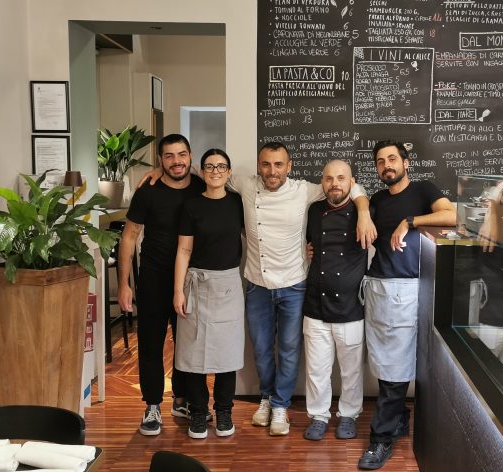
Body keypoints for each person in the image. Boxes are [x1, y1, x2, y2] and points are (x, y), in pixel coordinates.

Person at [141, 141, 375, 436]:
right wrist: (159, 170)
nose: (272, 171)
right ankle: (265, 398)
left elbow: (347, 185)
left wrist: (363, 211)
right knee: (262, 350)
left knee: (289, 350)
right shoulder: (245, 185)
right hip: (257, 284)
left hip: (294, 285)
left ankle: (281, 405)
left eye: (278, 164)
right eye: (266, 164)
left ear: (289, 167)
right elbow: (207, 172)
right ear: (258, 167)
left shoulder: (305, 190)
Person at [358, 140, 456, 470]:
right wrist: (362, 210)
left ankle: (381, 438)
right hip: (380, 289)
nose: (386, 165)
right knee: (387, 363)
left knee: (396, 367)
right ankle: (399, 418)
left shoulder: (424, 190)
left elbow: (451, 215)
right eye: (380, 161)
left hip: (409, 290)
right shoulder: (376, 200)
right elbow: (357, 211)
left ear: (406, 162)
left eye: (392, 159)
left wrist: (410, 221)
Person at [118, 134, 205, 436]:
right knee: (151, 345)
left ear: (190, 156)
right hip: (153, 278)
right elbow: (129, 236)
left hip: (190, 280)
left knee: (187, 345)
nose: (176, 161)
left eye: (181, 154)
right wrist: (124, 284)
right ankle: (153, 405)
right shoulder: (148, 191)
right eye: (169, 156)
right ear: (160, 160)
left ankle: (181, 400)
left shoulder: (201, 186)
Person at [173, 148, 246, 439]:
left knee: (227, 354)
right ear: (202, 172)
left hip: (229, 285)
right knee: (193, 354)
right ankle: (199, 411)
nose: (215, 171)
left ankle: (224, 410)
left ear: (229, 172)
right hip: (197, 284)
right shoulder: (191, 206)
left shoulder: (238, 203)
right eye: (210, 166)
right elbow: (184, 250)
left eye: (221, 166)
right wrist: (178, 291)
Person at [301, 160, 367, 441]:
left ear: (352, 182)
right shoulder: (314, 210)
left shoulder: (364, 211)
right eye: (329, 179)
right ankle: (318, 415)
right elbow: (309, 243)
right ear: (322, 182)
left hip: (351, 306)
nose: (334, 184)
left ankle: (349, 415)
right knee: (316, 369)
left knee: (351, 370)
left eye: (341, 178)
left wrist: (364, 212)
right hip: (315, 303)